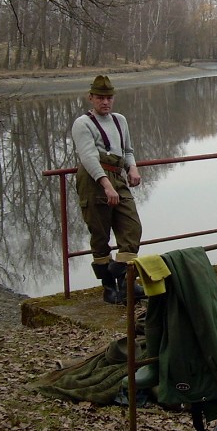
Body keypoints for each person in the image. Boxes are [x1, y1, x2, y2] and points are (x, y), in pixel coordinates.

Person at [71, 75, 145, 304]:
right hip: (93, 179)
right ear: (91, 98)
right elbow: (88, 157)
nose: (105, 102)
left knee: (132, 228)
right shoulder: (82, 123)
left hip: (117, 175)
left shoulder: (119, 120)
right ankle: (109, 287)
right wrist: (105, 184)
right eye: (100, 98)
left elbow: (128, 150)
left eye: (109, 98)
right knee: (100, 233)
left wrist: (132, 168)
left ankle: (121, 277)